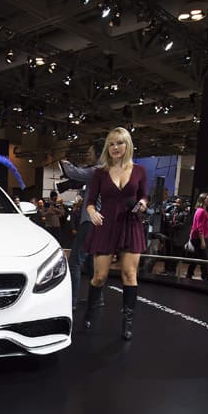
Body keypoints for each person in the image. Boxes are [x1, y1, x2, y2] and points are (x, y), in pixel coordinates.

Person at [82, 127, 149, 340]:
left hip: (131, 225)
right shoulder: (99, 173)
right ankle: (90, 312)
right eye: (111, 144)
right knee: (99, 276)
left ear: (127, 145)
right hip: (106, 225)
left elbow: (144, 197)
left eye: (119, 143)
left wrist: (142, 204)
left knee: (129, 275)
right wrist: (91, 212)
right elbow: (91, 201)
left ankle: (127, 322)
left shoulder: (139, 171)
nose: (115, 147)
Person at [60, 138, 108, 310]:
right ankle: (98, 299)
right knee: (91, 264)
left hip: (89, 223)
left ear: (99, 153)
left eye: (89, 153)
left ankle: (71, 302)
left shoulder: (97, 170)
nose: (88, 156)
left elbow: (74, 173)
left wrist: (64, 161)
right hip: (101, 225)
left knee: (75, 262)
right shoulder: (108, 171)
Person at [186, 193, 208, 282]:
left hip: (199, 237)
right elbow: (199, 227)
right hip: (198, 238)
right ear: (203, 200)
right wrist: (203, 241)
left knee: (196, 257)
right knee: (204, 258)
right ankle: (205, 277)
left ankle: (189, 274)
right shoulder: (201, 211)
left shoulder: (202, 210)